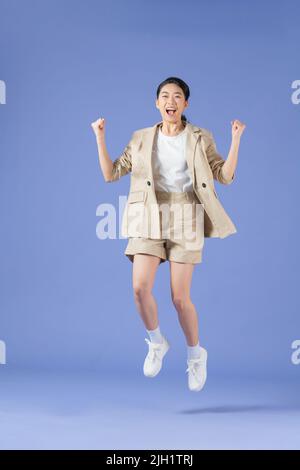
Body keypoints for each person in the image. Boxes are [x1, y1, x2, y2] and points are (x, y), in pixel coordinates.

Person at [91, 77, 246, 392]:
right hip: (147, 213)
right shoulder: (141, 138)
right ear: (157, 103)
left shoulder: (201, 137)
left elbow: (225, 176)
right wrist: (100, 136)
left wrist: (236, 139)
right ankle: (156, 341)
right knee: (139, 288)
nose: (171, 101)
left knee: (179, 298)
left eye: (177, 96)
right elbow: (111, 174)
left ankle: (195, 354)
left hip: (186, 215)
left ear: (186, 104)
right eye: (165, 96)